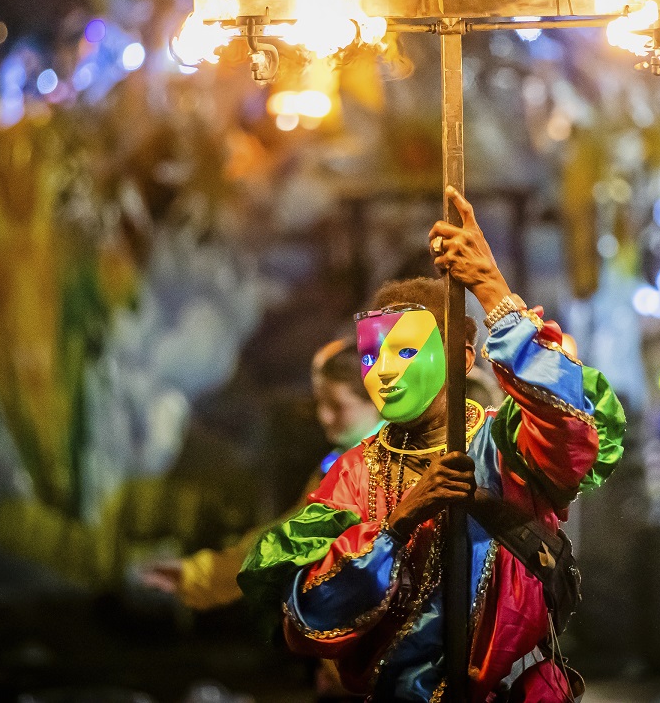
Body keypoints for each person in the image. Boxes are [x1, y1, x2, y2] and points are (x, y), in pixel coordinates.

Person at [238, 187, 626, 702]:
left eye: (405, 351)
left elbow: (570, 421)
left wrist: (492, 291)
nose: (384, 371)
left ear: (462, 359)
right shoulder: (353, 475)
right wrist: (399, 524)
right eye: (372, 356)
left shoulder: (508, 445)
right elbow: (308, 619)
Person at [142, 336, 383, 610]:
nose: (323, 416)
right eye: (319, 403)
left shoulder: (367, 470)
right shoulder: (340, 463)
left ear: (377, 402)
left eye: (338, 406)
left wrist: (204, 575)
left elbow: (291, 542)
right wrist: (199, 575)